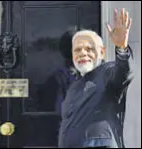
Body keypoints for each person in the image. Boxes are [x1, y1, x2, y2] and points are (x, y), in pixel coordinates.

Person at [58, 8, 133, 148]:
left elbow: (123, 73)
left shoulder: (107, 72)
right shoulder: (75, 86)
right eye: (77, 50)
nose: (83, 53)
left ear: (102, 52)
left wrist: (122, 49)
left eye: (89, 49)